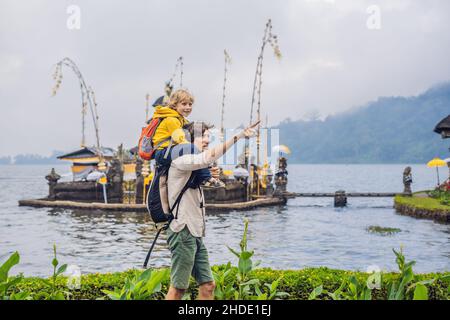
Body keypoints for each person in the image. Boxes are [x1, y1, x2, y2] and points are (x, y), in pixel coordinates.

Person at [165, 120, 259, 300]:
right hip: (183, 229)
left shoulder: (195, 167)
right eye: (202, 136)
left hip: (195, 231)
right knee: (178, 289)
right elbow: (206, 157)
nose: (207, 140)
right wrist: (238, 136)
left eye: (208, 136)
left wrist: (208, 177)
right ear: (187, 139)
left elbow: (201, 175)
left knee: (208, 285)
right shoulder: (181, 159)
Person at [152, 89, 224, 187]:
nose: (188, 107)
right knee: (191, 148)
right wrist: (193, 150)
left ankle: (205, 171)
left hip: (169, 150)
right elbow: (180, 138)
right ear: (174, 105)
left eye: (190, 104)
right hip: (162, 153)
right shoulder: (171, 120)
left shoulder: (181, 119)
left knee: (193, 149)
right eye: (184, 104)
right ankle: (206, 177)